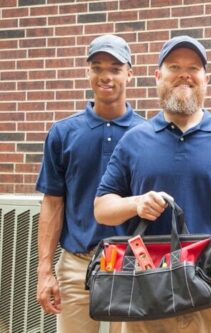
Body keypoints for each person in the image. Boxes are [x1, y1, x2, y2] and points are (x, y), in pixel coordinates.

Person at [94, 35, 211, 333]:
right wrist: (135, 203)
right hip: (145, 294)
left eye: (193, 67)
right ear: (157, 76)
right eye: (174, 65)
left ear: (206, 79)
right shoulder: (133, 141)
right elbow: (102, 208)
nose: (184, 74)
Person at [35, 34, 145, 333]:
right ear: (88, 72)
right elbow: (53, 202)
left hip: (132, 265)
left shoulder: (149, 135)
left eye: (115, 68)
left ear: (130, 74)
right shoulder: (63, 133)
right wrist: (45, 269)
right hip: (77, 265)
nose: (105, 76)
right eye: (97, 67)